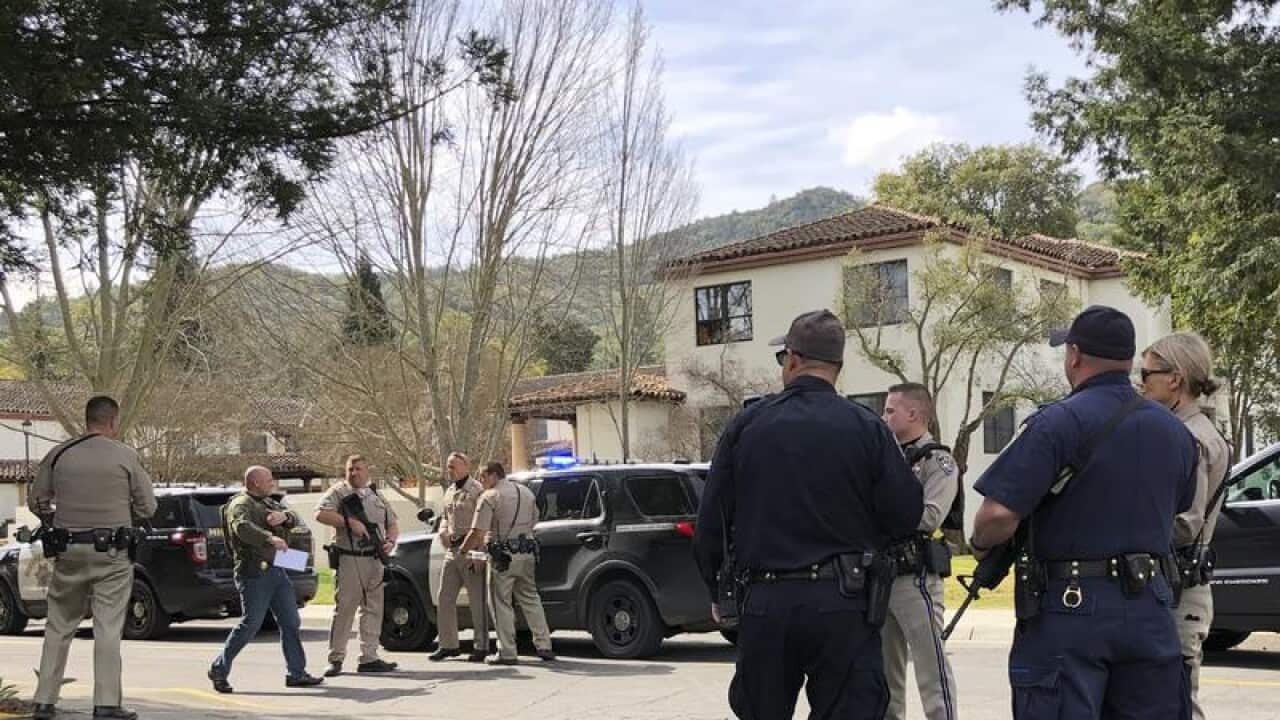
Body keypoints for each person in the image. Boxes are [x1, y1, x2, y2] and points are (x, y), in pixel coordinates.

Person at [693, 309, 924, 720]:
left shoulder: (748, 426)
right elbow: (906, 515)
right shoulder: (868, 428)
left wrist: (716, 589)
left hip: (766, 602)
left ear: (793, 359)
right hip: (845, 602)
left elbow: (712, 519)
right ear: (838, 366)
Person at [971, 305, 1197, 719]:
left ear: (1074, 355)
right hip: (1150, 604)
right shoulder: (1175, 432)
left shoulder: (1058, 422)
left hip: (1070, 608)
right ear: (1129, 361)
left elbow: (997, 515)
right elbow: (1180, 505)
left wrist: (981, 544)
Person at [29, 396, 156, 720]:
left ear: (87, 420)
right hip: (112, 555)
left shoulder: (58, 454)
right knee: (107, 628)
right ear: (112, 422)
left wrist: (60, 518)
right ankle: (107, 703)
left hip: (69, 550)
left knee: (58, 625)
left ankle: (44, 700)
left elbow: (37, 501)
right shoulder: (125, 455)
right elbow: (148, 508)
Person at [1140, 333, 1231, 720]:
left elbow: (1185, 525)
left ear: (1174, 379)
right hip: (1176, 586)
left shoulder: (1190, 439)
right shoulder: (1190, 431)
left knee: (1175, 703)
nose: (1140, 383)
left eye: (1146, 374)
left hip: (1179, 589)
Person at [880, 383, 960, 720]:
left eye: (890, 410)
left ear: (913, 414)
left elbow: (929, 517)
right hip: (883, 575)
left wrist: (880, 512)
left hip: (915, 578)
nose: (883, 417)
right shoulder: (886, 459)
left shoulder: (937, 460)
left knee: (931, 670)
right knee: (885, 676)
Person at [209, 466, 323, 693]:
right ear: (256, 482)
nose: (273, 483)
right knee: (251, 625)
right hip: (254, 574)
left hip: (278, 570)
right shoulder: (240, 504)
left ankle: (296, 673)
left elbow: (291, 518)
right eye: (269, 480)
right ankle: (219, 669)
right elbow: (241, 527)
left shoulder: (269, 502)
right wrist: (269, 538)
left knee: (291, 622)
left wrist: (286, 516)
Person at [458, 461, 554, 665]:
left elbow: (477, 531)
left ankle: (507, 652)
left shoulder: (490, 497)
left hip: (502, 557)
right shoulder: (526, 493)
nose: (481, 482)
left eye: (483, 477)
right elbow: (535, 519)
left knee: (501, 602)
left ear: (494, 475)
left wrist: (464, 550)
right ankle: (544, 644)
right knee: (530, 598)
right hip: (526, 552)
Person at [314, 455, 400, 676]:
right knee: (345, 609)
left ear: (367, 471)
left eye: (358, 469)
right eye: (350, 469)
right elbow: (320, 513)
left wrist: (390, 541)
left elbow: (392, 523)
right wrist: (349, 522)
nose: (354, 473)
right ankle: (336, 658)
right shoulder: (338, 492)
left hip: (375, 558)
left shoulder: (375, 494)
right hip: (350, 558)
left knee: (373, 609)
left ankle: (369, 657)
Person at [430, 452, 490, 662]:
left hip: (472, 548)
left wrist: (480, 552)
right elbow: (445, 517)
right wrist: (442, 531)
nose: (450, 470)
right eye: (448, 466)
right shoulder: (449, 491)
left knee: (477, 600)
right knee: (444, 597)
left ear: (466, 466)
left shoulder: (476, 490)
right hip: (452, 550)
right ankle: (448, 645)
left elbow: (484, 523)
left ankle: (481, 646)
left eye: (454, 466)